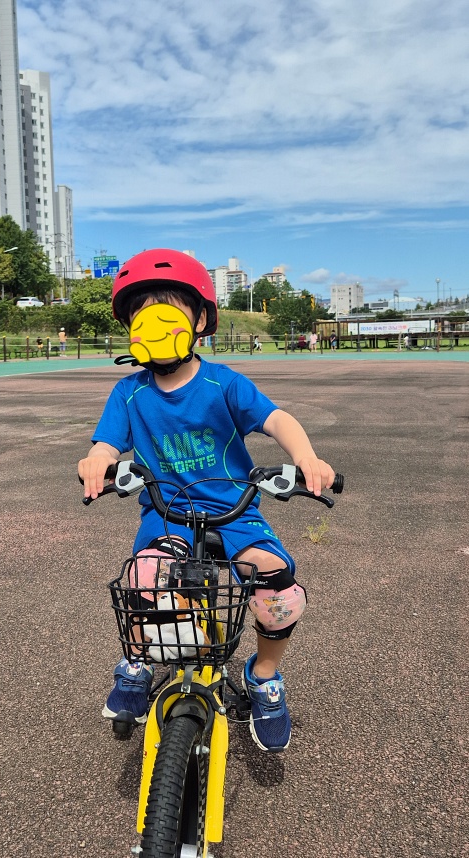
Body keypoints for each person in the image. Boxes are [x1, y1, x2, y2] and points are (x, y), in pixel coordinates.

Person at [78, 249, 335, 753]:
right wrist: (96, 458)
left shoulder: (223, 384)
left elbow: (276, 418)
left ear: (200, 320)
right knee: (139, 582)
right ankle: (136, 663)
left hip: (235, 511)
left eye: (169, 308)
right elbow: (107, 442)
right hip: (167, 515)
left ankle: (263, 676)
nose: (154, 320)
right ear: (129, 324)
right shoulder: (129, 392)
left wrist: (307, 457)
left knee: (278, 588)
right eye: (142, 311)